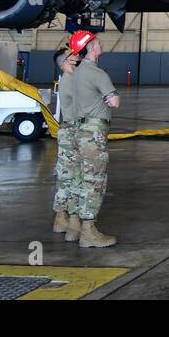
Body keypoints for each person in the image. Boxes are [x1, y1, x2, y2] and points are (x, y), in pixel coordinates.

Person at [67, 30, 120, 247]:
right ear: (92, 47)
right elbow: (114, 102)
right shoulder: (98, 74)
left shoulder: (77, 73)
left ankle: (74, 227)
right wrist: (111, 98)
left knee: (80, 179)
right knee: (95, 181)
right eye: (97, 41)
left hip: (79, 132)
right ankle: (89, 232)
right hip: (94, 134)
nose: (100, 43)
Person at [51, 45, 83, 241]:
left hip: (66, 130)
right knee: (76, 176)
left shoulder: (67, 79)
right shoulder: (72, 80)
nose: (77, 57)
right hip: (75, 130)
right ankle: (73, 221)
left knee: (64, 175)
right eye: (73, 56)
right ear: (65, 62)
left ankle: (60, 218)